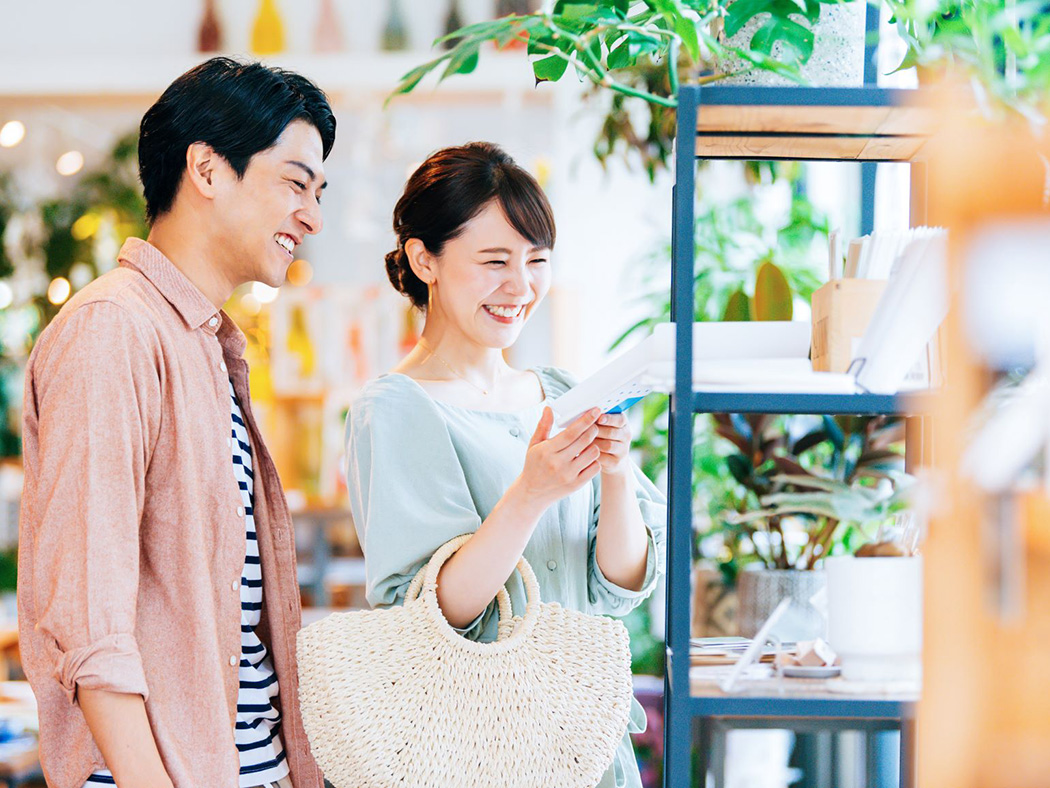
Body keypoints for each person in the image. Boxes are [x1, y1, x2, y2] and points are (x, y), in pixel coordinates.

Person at [17, 57, 335, 788]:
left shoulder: (209, 345)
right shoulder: (113, 331)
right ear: (208, 169)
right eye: (294, 182)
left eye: (319, 192)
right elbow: (91, 627)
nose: (311, 215)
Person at [344, 142, 666, 788]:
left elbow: (622, 585)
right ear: (423, 259)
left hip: (587, 746)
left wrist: (614, 469)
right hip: (478, 751)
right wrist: (530, 494)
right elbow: (436, 613)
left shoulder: (561, 391)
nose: (520, 288)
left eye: (536, 262)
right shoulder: (397, 408)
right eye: (494, 262)